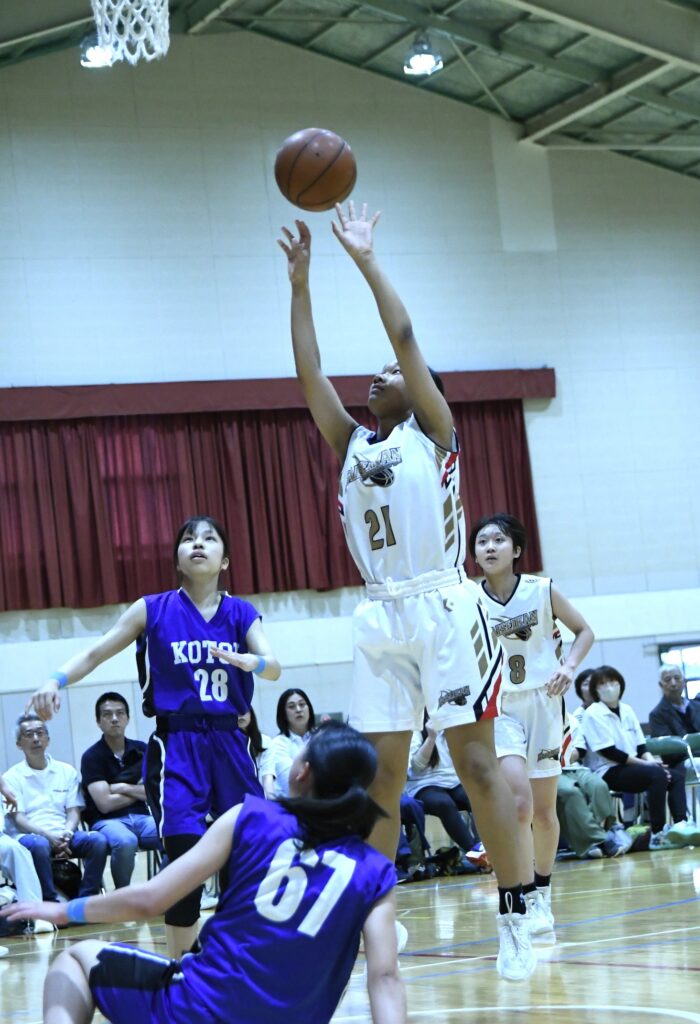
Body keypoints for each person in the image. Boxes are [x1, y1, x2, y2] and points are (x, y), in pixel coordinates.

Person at [279, 203, 535, 980]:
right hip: (378, 612)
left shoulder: (436, 434)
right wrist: (300, 284)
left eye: (391, 374)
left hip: (443, 606)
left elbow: (406, 336)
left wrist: (365, 260)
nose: (379, 375)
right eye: (380, 374)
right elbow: (310, 374)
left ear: (423, 393)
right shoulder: (351, 443)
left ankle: (518, 913)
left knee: (477, 767)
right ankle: (375, 927)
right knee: (380, 780)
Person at [1, 723, 406, 1024]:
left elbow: (150, 899)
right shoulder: (375, 871)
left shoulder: (251, 816)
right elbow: (385, 978)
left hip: (200, 1009)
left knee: (74, 960)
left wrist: (64, 910)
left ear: (302, 772)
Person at [26, 515, 281, 957]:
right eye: (188, 539)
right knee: (183, 860)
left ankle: (236, 961)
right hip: (178, 744)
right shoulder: (152, 609)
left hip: (229, 744)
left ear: (225, 560)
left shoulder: (241, 613)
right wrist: (55, 679)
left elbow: (274, 667)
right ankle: (179, 970)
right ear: (178, 559)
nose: (197, 544)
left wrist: (251, 662)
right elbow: (97, 650)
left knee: (245, 853)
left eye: (209, 539)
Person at [470, 513, 594, 937]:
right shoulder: (469, 600)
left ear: (516, 550)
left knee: (543, 812)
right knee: (519, 805)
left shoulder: (542, 590)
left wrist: (569, 667)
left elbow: (584, 631)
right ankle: (521, 893)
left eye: (498, 540)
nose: (489, 547)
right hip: (501, 708)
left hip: (545, 702)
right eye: (482, 542)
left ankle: (542, 892)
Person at [582, 666, 695, 849]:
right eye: (602, 683)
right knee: (656, 775)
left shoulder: (627, 710)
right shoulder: (593, 713)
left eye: (612, 681)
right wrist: (648, 765)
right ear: (595, 689)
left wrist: (652, 763)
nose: (609, 686)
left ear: (620, 684)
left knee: (676, 776)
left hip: (633, 766)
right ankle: (657, 833)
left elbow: (641, 746)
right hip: (607, 770)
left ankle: (680, 826)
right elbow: (610, 752)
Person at [3, 716, 108, 901]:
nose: (36, 738)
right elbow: (20, 819)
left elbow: (73, 811)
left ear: (48, 739)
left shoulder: (66, 771)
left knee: (98, 841)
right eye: (29, 734)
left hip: (64, 834)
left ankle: (86, 900)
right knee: (39, 845)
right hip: (30, 836)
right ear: (19, 743)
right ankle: (50, 902)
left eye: (40, 733)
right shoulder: (11, 777)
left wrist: (66, 834)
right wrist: (49, 837)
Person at [80, 691, 162, 889]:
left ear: (127, 718)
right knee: (126, 842)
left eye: (120, 713)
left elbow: (156, 793)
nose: (114, 719)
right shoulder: (92, 757)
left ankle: (165, 890)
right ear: (99, 721)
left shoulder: (143, 750)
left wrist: (122, 787)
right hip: (107, 822)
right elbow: (105, 804)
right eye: (107, 714)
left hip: (143, 817)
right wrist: (139, 791)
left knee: (172, 831)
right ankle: (122, 895)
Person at [405, 718, 479, 862]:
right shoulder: (416, 726)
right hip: (423, 783)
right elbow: (416, 766)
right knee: (444, 803)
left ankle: (484, 847)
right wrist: (431, 737)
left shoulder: (451, 724)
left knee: (476, 797)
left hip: (452, 780)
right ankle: (474, 853)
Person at [267, 689, 316, 798]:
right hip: (292, 804)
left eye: (302, 704)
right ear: (283, 713)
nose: (298, 709)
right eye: (291, 706)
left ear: (309, 708)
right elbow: (294, 783)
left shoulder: (321, 737)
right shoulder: (278, 744)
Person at [237, 707, 275, 799]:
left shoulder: (265, 741)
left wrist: (271, 802)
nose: (240, 715)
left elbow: (268, 777)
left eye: (243, 710)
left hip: (260, 798)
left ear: (251, 714)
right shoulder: (224, 744)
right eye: (235, 712)